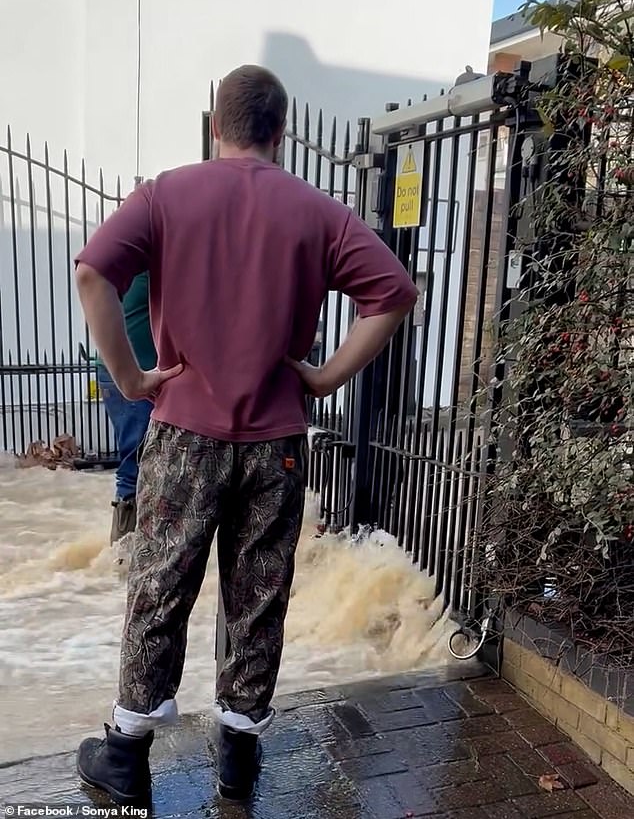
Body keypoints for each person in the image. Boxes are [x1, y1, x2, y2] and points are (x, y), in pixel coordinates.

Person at [74, 64, 418, 807]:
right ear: (281, 132)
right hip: (277, 443)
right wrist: (325, 377)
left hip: (183, 435)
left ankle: (127, 756)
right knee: (258, 596)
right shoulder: (317, 211)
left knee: (160, 588)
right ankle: (238, 758)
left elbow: (92, 274)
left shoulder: (167, 193)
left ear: (213, 126)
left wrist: (133, 379)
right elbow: (393, 292)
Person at [96, 271, 157, 544]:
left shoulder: (129, 268)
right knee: (136, 460)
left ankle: (127, 547)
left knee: (137, 457)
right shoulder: (152, 269)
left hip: (117, 370)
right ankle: (124, 549)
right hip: (133, 373)